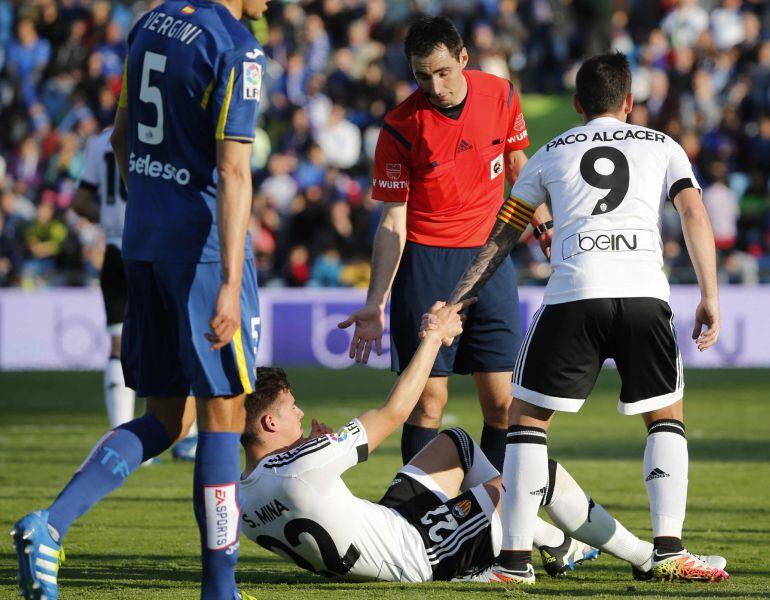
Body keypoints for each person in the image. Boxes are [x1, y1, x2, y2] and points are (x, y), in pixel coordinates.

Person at [435, 52, 729, 584]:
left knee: (526, 420)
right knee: (666, 417)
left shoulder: (549, 153)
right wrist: (709, 292)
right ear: (629, 102)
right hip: (643, 293)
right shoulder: (662, 145)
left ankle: (514, 564)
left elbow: (505, 232)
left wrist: (459, 297)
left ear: (576, 105)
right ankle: (668, 550)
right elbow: (693, 212)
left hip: (575, 293)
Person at [11, 1, 270, 598]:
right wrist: (230, 281)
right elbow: (233, 173)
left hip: (144, 242)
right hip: (202, 253)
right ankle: (220, 589)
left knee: (165, 417)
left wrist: (154, 208)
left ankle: (50, 526)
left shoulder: (150, 25)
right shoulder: (237, 49)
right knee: (223, 412)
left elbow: (122, 135)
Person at [240, 304, 684, 584]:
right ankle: (647, 559)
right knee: (535, 476)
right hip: (421, 555)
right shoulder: (303, 463)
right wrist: (433, 338)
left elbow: (300, 495)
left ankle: (552, 542)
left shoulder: (240, 498)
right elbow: (395, 412)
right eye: (292, 407)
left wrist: (313, 453)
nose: (300, 413)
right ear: (268, 420)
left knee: (456, 442)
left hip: (386, 528)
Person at [339, 16, 552, 472]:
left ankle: (491, 511)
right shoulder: (400, 127)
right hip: (426, 263)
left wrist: (544, 222)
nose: (434, 86)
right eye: (421, 75)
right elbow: (393, 220)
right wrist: (375, 302)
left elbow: (518, 165)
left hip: (491, 260)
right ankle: (421, 514)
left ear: (463, 58)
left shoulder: (502, 95)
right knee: (428, 403)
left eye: (442, 72)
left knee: (501, 403)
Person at [73, 127, 199, 460]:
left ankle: (121, 438)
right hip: (156, 248)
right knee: (178, 339)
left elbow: (80, 201)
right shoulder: (162, 133)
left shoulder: (99, 141)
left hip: (116, 249)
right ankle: (187, 436)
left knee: (119, 344)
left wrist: (112, 219)